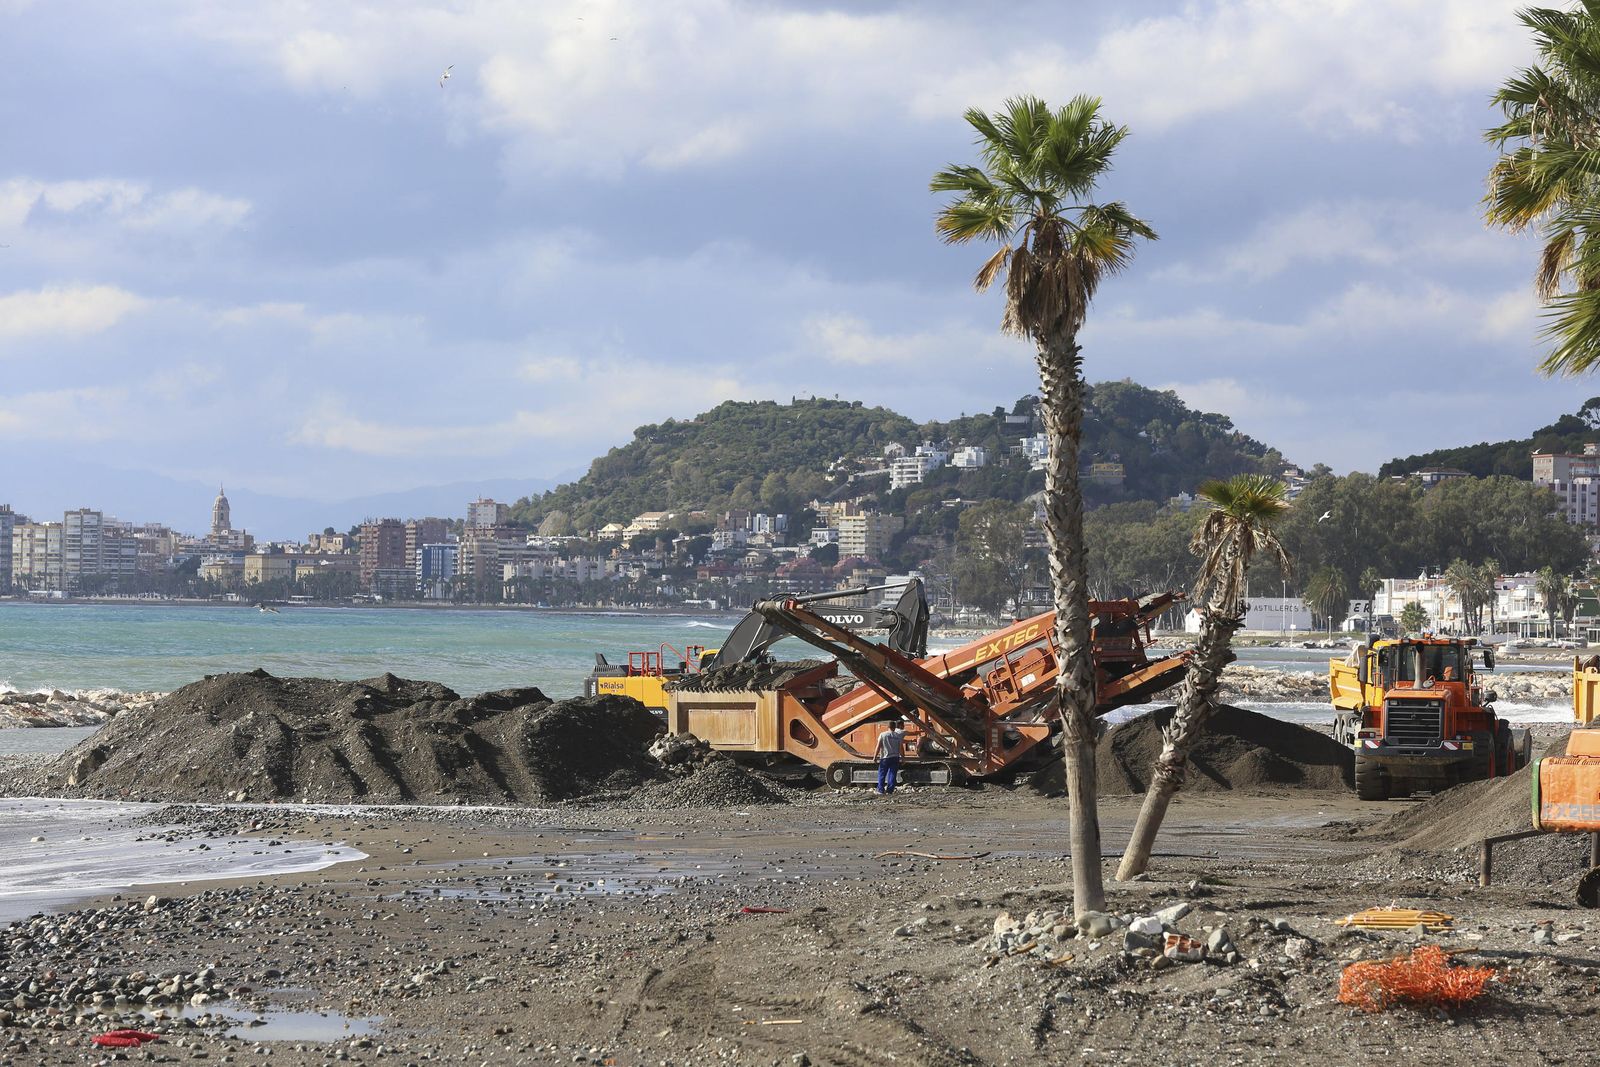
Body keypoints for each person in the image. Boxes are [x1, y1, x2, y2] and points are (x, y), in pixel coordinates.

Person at [876, 719, 905, 795]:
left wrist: (875, 756)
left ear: (888, 726)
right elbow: (901, 748)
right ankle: (890, 791)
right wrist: (903, 758)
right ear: (895, 727)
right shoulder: (898, 736)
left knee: (882, 774)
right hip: (895, 757)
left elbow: (878, 746)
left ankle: (880, 790)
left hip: (885, 758)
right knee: (892, 774)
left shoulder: (883, 735)